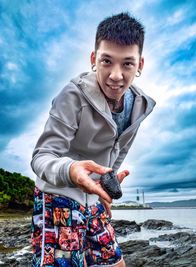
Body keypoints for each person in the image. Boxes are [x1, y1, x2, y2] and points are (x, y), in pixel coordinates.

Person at [31, 12, 156, 267]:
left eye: (127, 64)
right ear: (93, 59)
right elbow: (42, 156)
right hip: (58, 196)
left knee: (116, 264)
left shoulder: (139, 106)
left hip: (94, 198)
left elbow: (118, 152)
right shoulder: (72, 96)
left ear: (140, 64)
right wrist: (71, 170)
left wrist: (105, 188)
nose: (116, 75)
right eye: (107, 61)